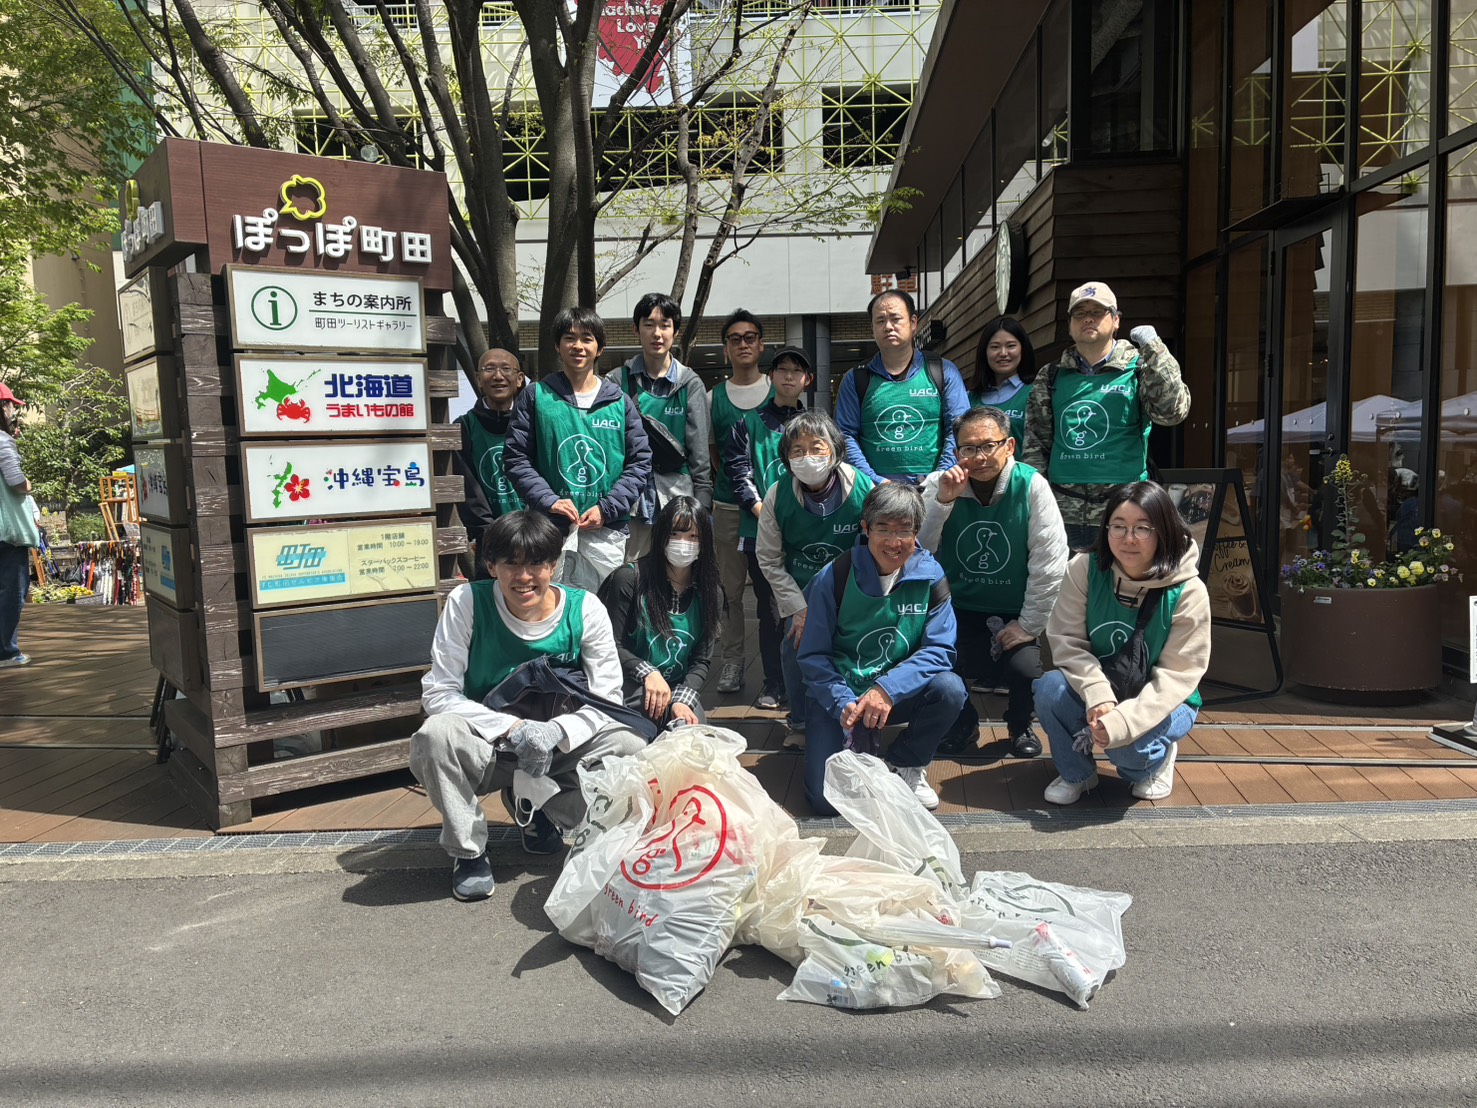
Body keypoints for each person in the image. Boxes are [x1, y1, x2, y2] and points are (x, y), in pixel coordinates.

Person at [411, 510, 648, 901]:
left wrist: (556, 732)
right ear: (491, 565)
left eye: (537, 562)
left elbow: (608, 699)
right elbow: (439, 693)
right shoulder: (467, 601)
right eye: (511, 564)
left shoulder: (585, 608)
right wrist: (513, 729)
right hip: (488, 748)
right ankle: (468, 851)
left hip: (557, 748)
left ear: (554, 565)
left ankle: (542, 806)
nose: (524, 577)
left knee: (629, 745)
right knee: (434, 736)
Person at [1036, 481, 1211, 805]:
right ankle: (1077, 773)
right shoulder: (1084, 569)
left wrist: (1124, 722)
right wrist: (1098, 696)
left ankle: (1155, 761)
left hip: (1166, 701)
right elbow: (1068, 642)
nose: (1128, 539)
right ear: (1106, 529)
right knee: (1050, 688)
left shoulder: (1188, 591)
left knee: (1128, 752)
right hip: (1102, 686)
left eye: (1143, 528)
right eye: (1118, 526)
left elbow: (1178, 675)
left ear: (1164, 531)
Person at [797, 482, 967, 816]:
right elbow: (812, 655)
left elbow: (941, 649)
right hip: (841, 695)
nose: (893, 542)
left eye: (904, 531)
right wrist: (840, 701)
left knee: (950, 689)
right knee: (824, 801)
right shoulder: (834, 576)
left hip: (893, 695)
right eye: (883, 529)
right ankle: (841, 738)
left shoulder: (931, 577)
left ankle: (906, 763)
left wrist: (887, 689)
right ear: (865, 528)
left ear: (917, 533)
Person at [921, 405, 1068, 758]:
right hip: (956, 608)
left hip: (1014, 608)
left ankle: (1020, 725)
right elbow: (918, 549)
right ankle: (962, 724)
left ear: (1010, 446)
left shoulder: (1032, 486)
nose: (978, 457)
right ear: (957, 452)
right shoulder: (941, 483)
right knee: (941, 664)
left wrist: (1029, 624)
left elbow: (1050, 563)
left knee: (1024, 669)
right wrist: (942, 502)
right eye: (968, 448)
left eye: (988, 445)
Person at [1022, 282, 1190, 549]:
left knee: (1121, 587)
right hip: (1063, 512)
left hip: (1124, 511)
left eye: (1098, 312)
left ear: (1115, 320)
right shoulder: (1051, 374)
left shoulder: (1138, 368)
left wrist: (1155, 349)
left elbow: (1171, 412)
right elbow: (1036, 442)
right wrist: (1037, 501)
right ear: (1070, 324)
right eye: (1079, 313)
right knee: (1065, 589)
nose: (1088, 318)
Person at [503, 307, 652, 592]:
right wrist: (549, 501)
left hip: (607, 530)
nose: (578, 346)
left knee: (604, 609)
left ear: (600, 348)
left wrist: (608, 508)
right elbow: (516, 458)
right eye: (569, 338)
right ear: (557, 346)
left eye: (587, 338)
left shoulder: (620, 402)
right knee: (550, 605)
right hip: (550, 528)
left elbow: (640, 462)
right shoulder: (536, 396)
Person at [755, 409, 873, 745]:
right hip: (802, 590)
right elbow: (768, 557)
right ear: (786, 459)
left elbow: (876, 546)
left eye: (817, 448)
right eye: (797, 450)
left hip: (854, 586)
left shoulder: (863, 490)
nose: (807, 457)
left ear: (834, 451)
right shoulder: (778, 496)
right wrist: (798, 607)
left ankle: (857, 712)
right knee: (794, 645)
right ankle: (802, 721)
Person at [723, 344, 812, 711]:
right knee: (771, 610)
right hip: (760, 532)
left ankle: (808, 681)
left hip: (809, 536)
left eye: (797, 371)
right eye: (782, 369)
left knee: (810, 608)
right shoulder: (748, 423)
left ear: (807, 380)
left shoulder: (817, 426)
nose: (789, 376)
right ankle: (775, 682)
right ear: (771, 376)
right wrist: (766, 512)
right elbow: (738, 473)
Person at [599, 496, 723, 729]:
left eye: (693, 536)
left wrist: (683, 698)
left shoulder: (710, 592)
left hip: (678, 688)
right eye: (674, 534)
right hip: (629, 684)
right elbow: (609, 644)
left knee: (688, 730)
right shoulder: (629, 579)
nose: (683, 542)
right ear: (660, 535)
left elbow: (701, 659)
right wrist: (648, 673)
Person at [835, 289, 969, 486]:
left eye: (895, 318)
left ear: (913, 323)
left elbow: (959, 428)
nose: (888, 326)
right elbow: (845, 436)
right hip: (877, 494)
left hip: (937, 490)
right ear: (872, 328)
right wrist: (876, 481)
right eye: (880, 321)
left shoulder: (943, 371)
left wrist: (939, 478)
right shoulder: (856, 378)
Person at [615, 293, 713, 559]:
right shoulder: (616, 381)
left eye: (665, 325)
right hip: (631, 502)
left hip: (678, 499)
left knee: (677, 577)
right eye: (648, 324)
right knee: (631, 576)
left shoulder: (690, 384)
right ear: (636, 329)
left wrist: (701, 507)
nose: (656, 333)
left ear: (675, 331)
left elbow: (700, 454)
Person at [708, 309, 773, 694]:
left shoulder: (777, 388)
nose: (743, 343)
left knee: (772, 590)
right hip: (729, 508)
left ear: (761, 345)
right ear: (726, 349)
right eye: (735, 338)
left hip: (774, 510)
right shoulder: (714, 395)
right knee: (732, 591)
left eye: (750, 337)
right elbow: (715, 453)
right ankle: (732, 662)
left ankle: (776, 669)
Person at [454, 347, 526, 578]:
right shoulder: (464, 427)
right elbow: (467, 487)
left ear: (519, 379)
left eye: (506, 369)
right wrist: (489, 530)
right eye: (489, 369)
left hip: (533, 532)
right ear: (478, 379)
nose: (498, 376)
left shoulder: (533, 423)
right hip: (490, 539)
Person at [0, 385, 38, 668]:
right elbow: (15, 481)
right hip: (7, 531)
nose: (14, 410)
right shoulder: (2, 440)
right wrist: (29, 484)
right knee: (12, 588)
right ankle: (6, 651)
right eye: (11, 405)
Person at [969, 316, 1037, 446]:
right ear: (985, 352)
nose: (1003, 353)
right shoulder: (969, 397)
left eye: (1011, 346)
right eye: (995, 347)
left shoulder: (1036, 392)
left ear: (1023, 349)